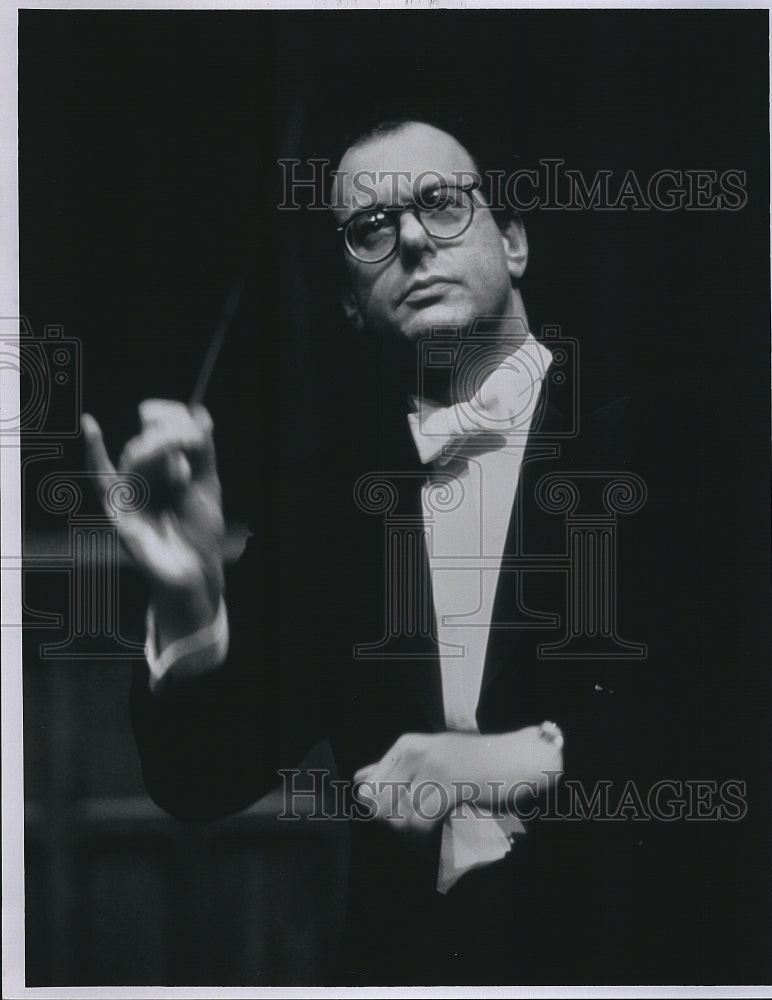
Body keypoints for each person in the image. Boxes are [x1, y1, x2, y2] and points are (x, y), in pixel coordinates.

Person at [82, 118, 658, 985]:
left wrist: (519, 760)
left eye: (441, 204)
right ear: (350, 299)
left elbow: (743, 731)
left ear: (513, 240)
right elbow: (197, 783)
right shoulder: (329, 513)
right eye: (370, 229)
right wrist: (189, 607)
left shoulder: (660, 444)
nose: (415, 239)